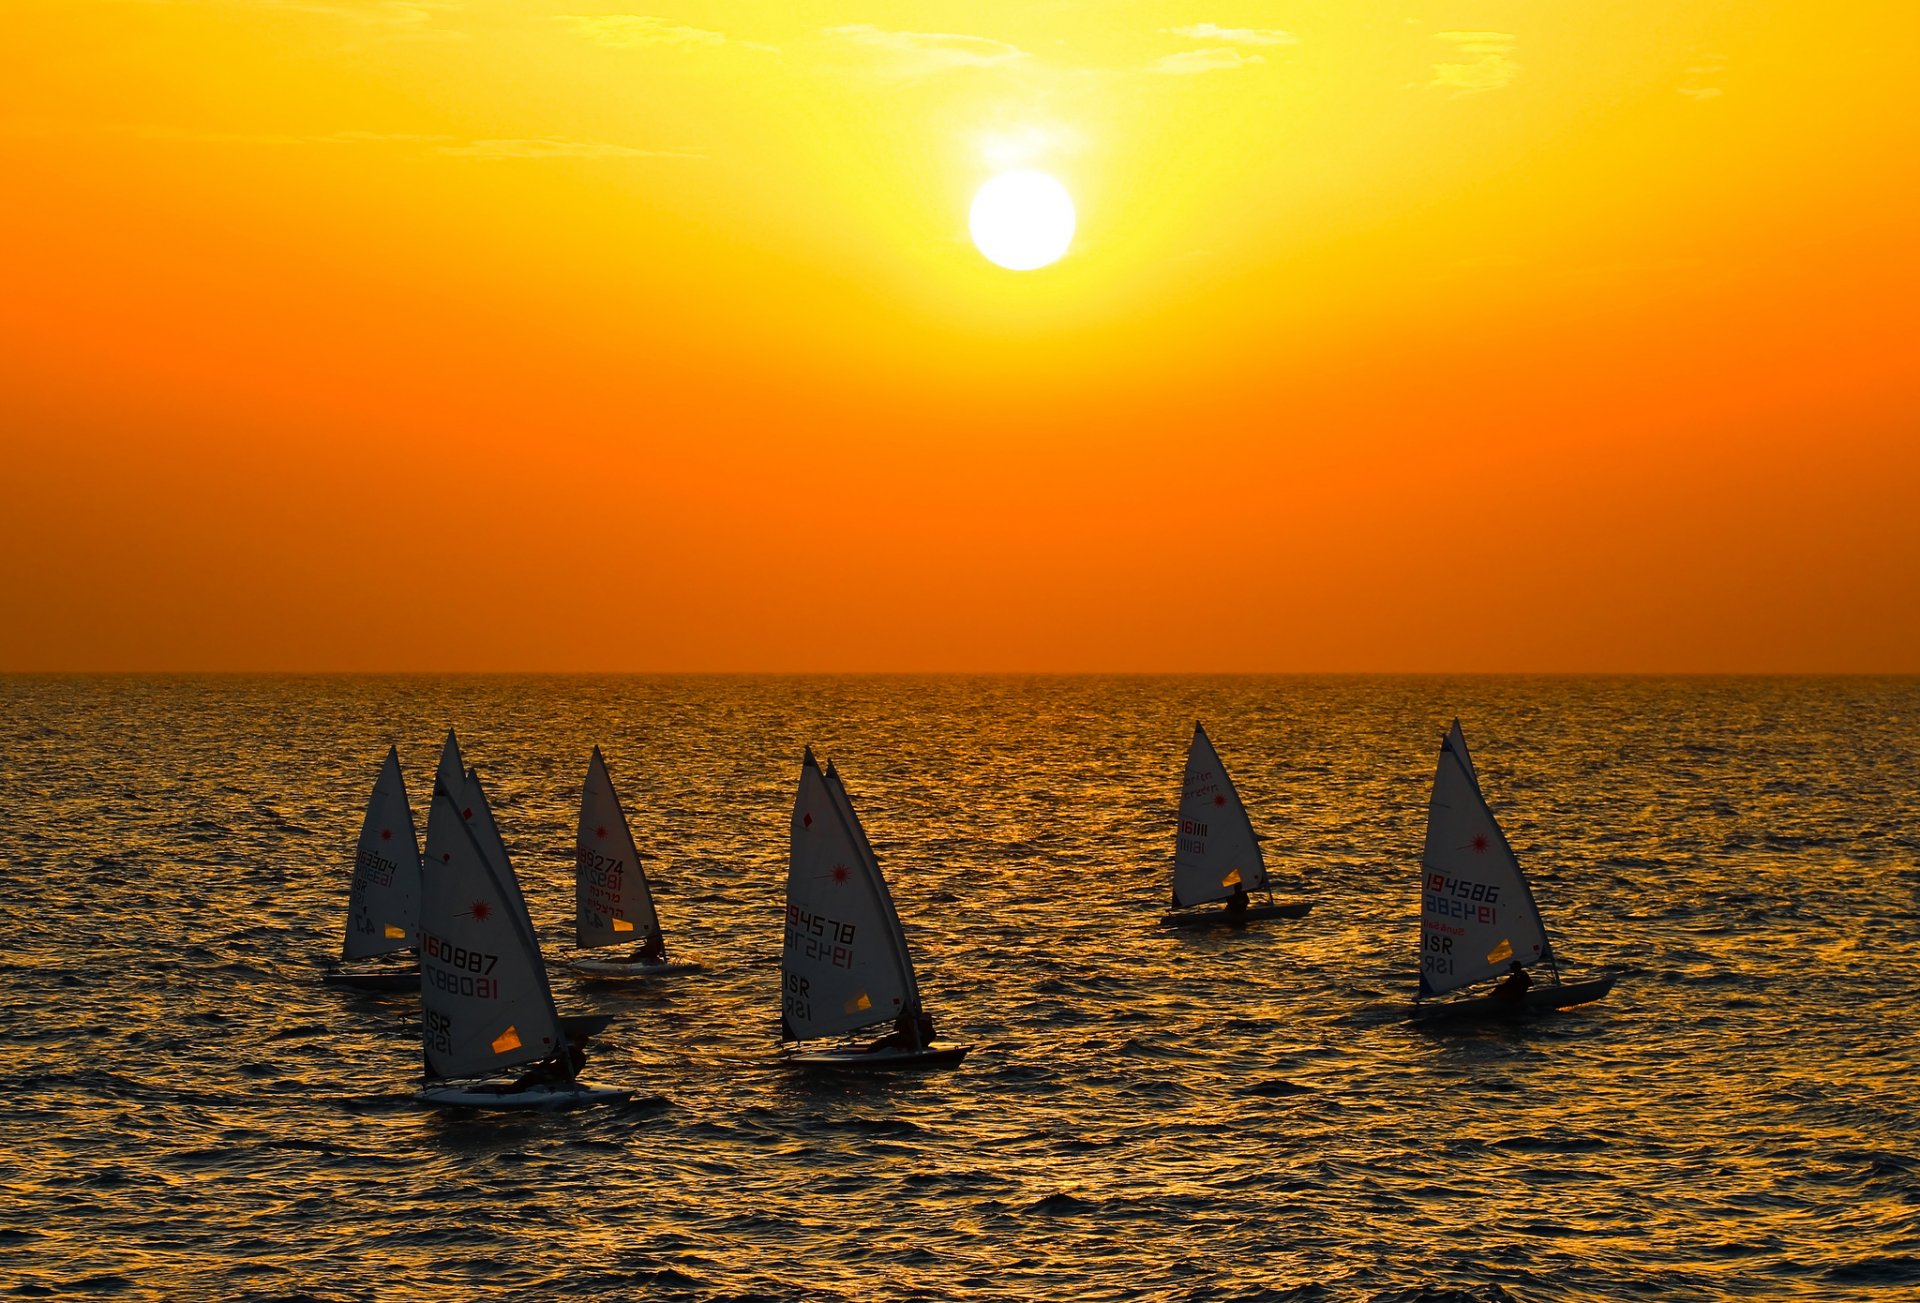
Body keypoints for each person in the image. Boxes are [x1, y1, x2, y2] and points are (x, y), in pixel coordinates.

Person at [864, 1006, 936, 1054]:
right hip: (902, 1040)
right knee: (877, 1046)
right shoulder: (899, 1037)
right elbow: (897, 1028)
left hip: (911, 1041)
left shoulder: (930, 1034)